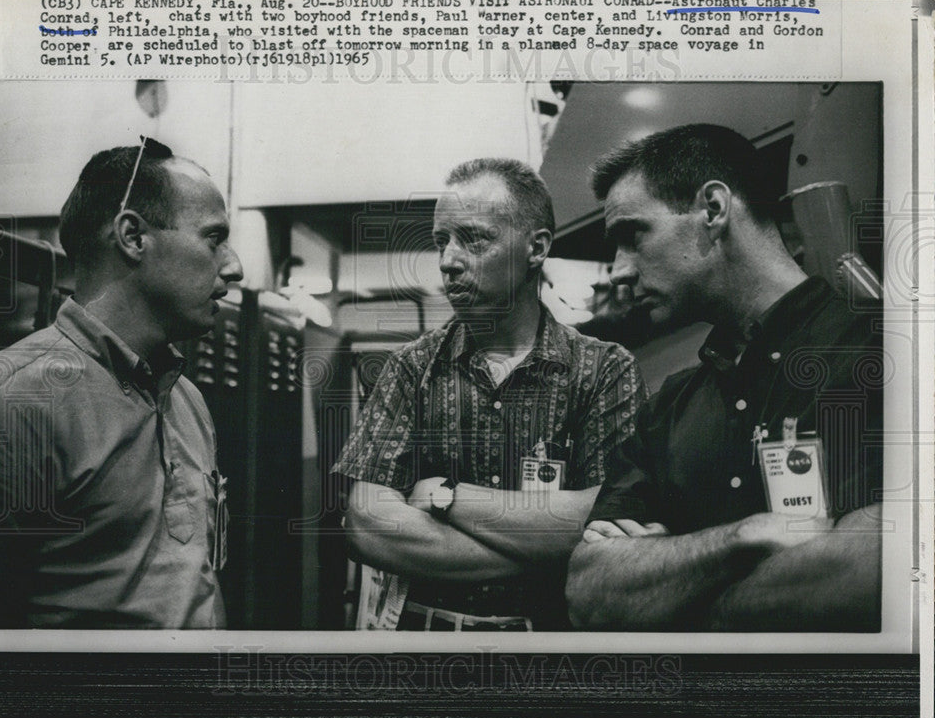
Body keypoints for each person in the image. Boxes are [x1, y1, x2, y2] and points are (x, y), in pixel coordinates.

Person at [565, 124, 884, 632]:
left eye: (632, 235)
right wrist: (745, 537)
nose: (620, 272)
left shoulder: (886, 350)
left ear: (713, 209)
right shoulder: (668, 408)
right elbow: (588, 589)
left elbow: (874, 570)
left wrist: (680, 588)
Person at [334, 158, 646, 631]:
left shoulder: (604, 370)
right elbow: (367, 524)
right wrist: (545, 545)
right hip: (429, 647)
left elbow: (607, 523)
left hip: (549, 654)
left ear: (535, 248)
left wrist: (446, 498)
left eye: (473, 239)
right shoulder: (412, 368)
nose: (448, 261)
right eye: (442, 241)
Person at [0, 139, 244, 628]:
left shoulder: (187, 399)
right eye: (214, 238)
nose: (233, 266)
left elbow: (199, 583)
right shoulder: (17, 399)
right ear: (133, 236)